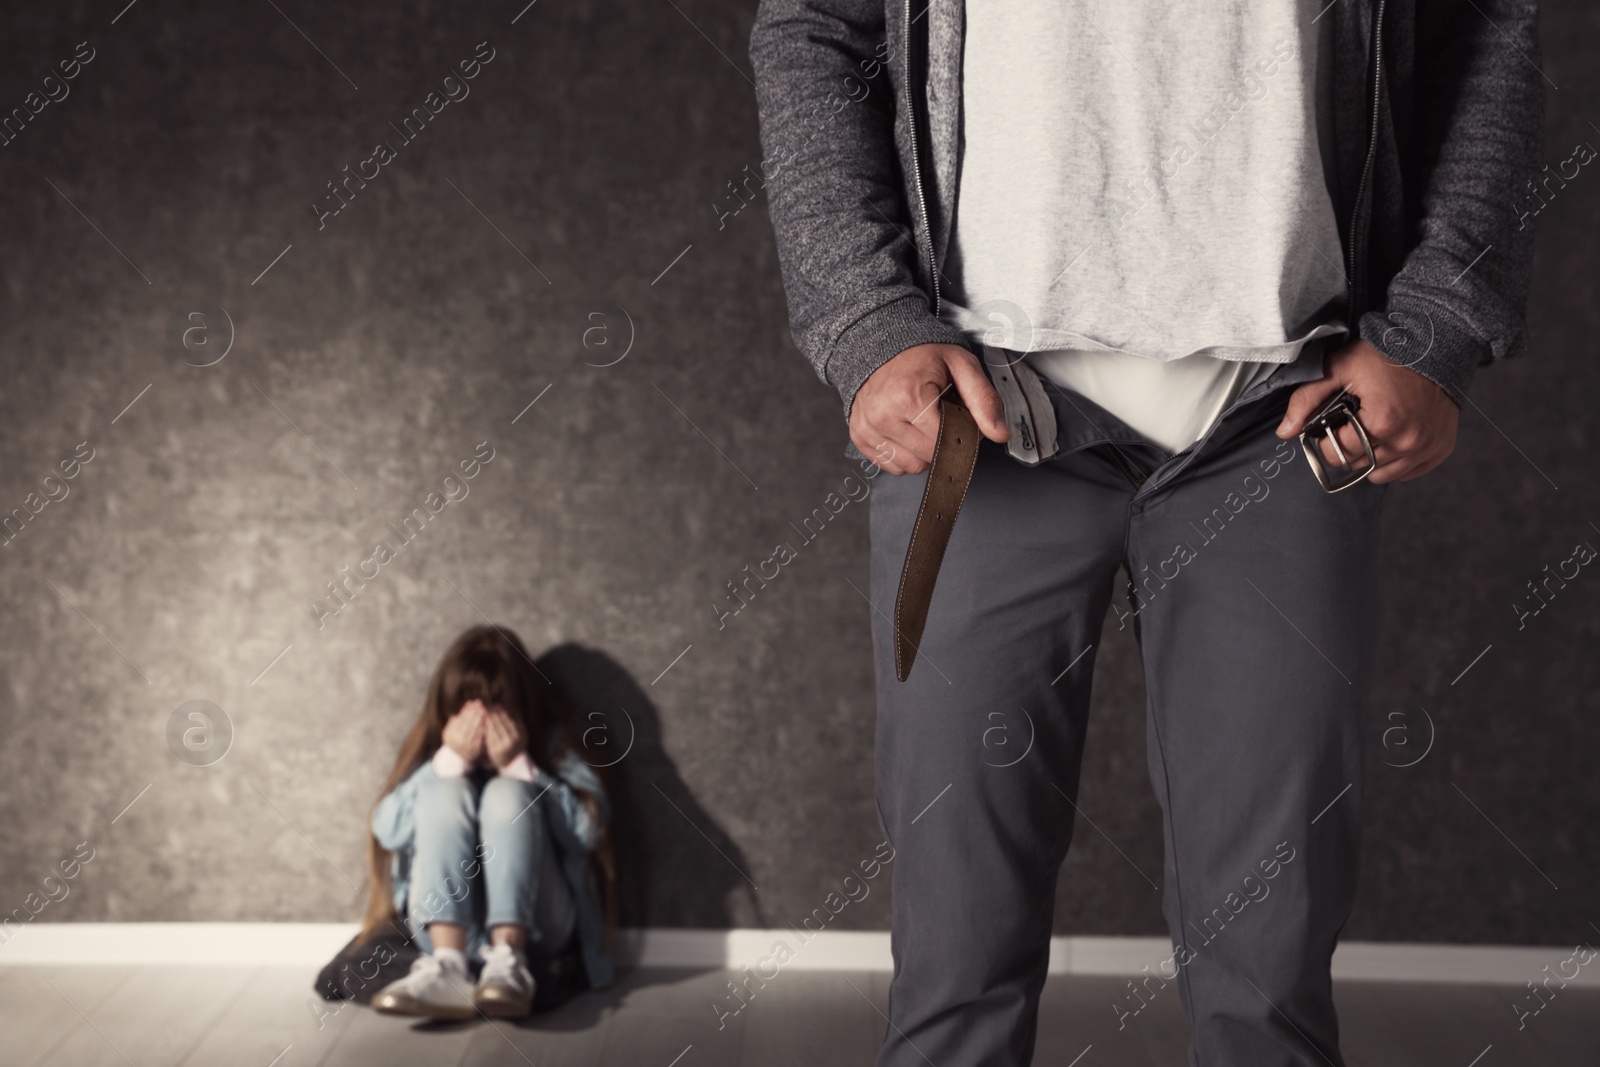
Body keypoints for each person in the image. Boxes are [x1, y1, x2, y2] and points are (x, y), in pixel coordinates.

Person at [749, 1, 1541, 1064]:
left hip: (1286, 417)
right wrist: (866, 315)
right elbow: (814, 25)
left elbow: (1482, 28)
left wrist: (1438, 320)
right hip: (982, 417)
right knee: (953, 963)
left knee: (1271, 974)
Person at [358, 625, 615, 1020]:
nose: (481, 723)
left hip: (540, 925)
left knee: (506, 794)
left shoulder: (550, 747)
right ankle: (448, 965)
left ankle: (508, 962)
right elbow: (387, 829)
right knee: (447, 791)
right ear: (447, 709)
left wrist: (520, 768)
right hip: (442, 929)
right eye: (469, 708)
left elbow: (586, 834)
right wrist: (446, 764)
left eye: (496, 709)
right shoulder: (434, 759)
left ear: (522, 708)